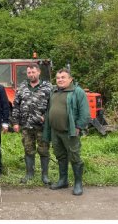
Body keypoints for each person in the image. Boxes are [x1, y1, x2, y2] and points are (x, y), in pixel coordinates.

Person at [43, 68, 89, 196]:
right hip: (55, 131)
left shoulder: (77, 92)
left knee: (74, 157)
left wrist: (79, 126)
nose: (60, 80)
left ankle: (78, 183)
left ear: (70, 79)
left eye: (63, 77)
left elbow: (85, 113)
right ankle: (63, 180)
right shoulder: (54, 91)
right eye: (58, 78)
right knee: (61, 156)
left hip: (70, 132)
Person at [11, 63, 52, 184]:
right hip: (26, 125)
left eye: (33, 72)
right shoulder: (22, 87)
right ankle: (29, 174)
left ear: (38, 72)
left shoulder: (48, 87)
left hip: (42, 126)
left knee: (44, 150)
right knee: (28, 150)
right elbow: (16, 105)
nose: (31, 74)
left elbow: (52, 105)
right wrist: (15, 122)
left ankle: (45, 176)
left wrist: (47, 116)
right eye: (29, 72)